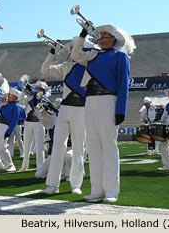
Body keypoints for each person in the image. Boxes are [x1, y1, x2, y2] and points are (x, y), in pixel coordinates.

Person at [71, 24, 136, 202]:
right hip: (90, 99)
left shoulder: (120, 56)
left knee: (108, 146)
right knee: (92, 146)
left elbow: (123, 83)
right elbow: (75, 55)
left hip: (108, 99)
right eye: (101, 37)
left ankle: (111, 191)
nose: (102, 39)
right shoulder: (93, 55)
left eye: (106, 36)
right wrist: (82, 35)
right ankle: (96, 189)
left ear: (114, 39)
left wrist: (120, 109)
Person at [41, 37, 88, 195]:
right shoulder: (66, 66)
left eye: (75, 47)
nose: (71, 49)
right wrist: (52, 52)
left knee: (78, 148)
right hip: (65, 108)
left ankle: (76, 184)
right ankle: (53, 184)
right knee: (57, 147)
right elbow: (45, 70)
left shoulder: (89, 66)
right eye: (71, 47)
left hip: (81, 108)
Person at [19, 80, 49, 171]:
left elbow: (39, 106)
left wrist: (33, 93)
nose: (36, 89)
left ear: (43, 90)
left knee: (40, 146)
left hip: (39, 123)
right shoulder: (29, 98)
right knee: (26, 145)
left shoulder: (45, 98)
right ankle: (24, 165)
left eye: (39, 88)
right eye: (36, 88)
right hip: (28, 122)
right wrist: (24, 91)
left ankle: (40, 166)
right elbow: (20, 100)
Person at [0, 88, 24, 173]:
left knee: (2, 147)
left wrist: (9, 131)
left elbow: (15, 120)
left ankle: (10, 165)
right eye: (9, 94)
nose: (9, 96)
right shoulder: (5, 104)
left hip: (5, 126)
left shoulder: (17, 106)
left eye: (11, 95)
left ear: (16, 97)